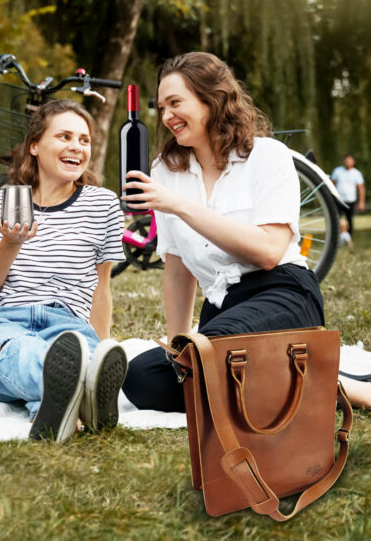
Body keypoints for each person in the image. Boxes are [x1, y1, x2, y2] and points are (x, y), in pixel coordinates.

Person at [120, 51, 371, 410]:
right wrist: (178, 346)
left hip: (283, 294)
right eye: (161, 107)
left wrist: (179, 205)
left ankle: (342, 388)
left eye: (176, 103)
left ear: (212, 98)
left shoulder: (267, 156)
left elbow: (269, 251)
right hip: (222, 310)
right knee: (142, 377)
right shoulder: (165, 170)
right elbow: (177, 270)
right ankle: (305, 378)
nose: (167, 117)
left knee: (214, 351)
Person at [0, 99, 128, 442]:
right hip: (2, 324)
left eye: (84, 140)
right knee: (12, 351)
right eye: (65, 136)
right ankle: (83, 389)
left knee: (68, 354)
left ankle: (64, 394)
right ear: (35, 146)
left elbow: (102, 291)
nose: (77, 147)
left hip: (68, 328)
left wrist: (101, 346)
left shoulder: (102, 205)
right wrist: (8, 245)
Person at [331, 154, 365, 238]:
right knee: (336, 219)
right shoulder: (337, 171)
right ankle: (336, 237)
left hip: (350, 200)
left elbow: (361, 188)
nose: (347, 162)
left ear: (353, 162)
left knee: (349, 220)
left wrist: (361, 202)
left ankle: (348, 238)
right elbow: (331, 185)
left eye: (349, 160)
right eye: (346, 160)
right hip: (338, 200)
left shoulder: (356, 173)